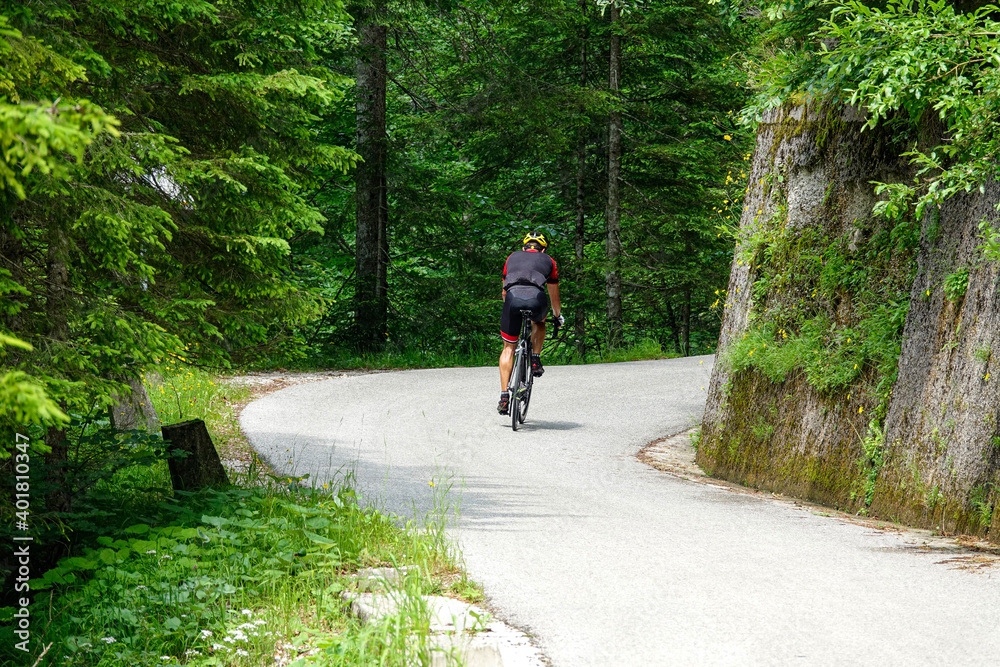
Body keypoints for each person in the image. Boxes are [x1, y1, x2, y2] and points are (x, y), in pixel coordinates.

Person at [498, 231, 564, 415]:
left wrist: (510, 310)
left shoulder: (511, 257)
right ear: (543, 250)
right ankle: (535, 358)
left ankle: (504, 396)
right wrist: (557, 316)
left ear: (524, 247)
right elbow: (554, 295)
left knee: (508, 348)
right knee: (539, 322)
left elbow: (504, 292)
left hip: (512, 298)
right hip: (536, 298)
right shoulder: (549, 261)